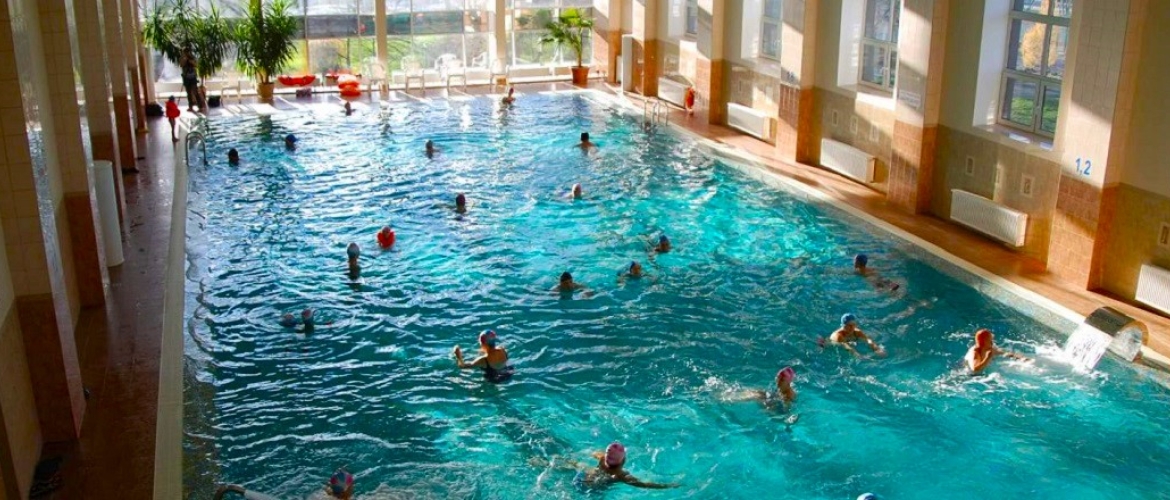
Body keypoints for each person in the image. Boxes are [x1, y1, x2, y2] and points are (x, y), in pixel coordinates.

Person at [576, 442, 679, 490]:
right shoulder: (621, 475)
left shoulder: (602, 458)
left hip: (582, 479)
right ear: (623, 460)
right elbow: (644, 484)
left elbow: (591, 453)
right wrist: (668, 485)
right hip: (596, 490)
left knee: (582, 466)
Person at [965, 329, 1030, 374]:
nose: (992, 342)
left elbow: (1004, 353)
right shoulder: (975, 352)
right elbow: (975, 369)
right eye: (990, 340)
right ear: (983, 342)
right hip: (971, 375)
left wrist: (1021, 358)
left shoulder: (989, 348)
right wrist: (987, 358)